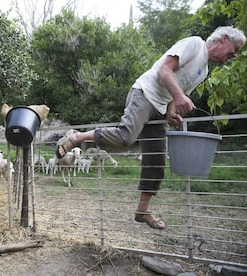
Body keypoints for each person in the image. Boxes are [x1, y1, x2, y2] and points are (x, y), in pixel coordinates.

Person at [56, 26, 246, 230]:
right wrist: (181, 97)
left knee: (156, 160)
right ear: (224, 38)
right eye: (235, 48)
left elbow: (177, 92)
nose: (235, 55)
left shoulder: (204, 71)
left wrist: (173, 111)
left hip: (161, 107)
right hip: (144, 94)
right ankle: (77, 138)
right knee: (125, 137)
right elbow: (164, 70)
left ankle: (143, 210)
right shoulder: (195, 44)